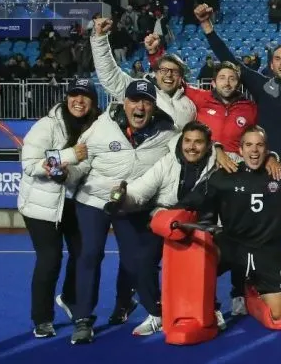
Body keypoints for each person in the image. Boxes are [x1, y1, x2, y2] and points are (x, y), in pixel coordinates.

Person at [195, 3, 281, 314]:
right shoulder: (258, 84)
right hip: (266, 171)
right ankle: (263, 289)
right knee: (266, 236)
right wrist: (208, 27)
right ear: (270, 63)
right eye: (277, 58)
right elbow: (229, 59)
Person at [66, 80, 180, 344]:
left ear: (154, 106)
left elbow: (189, 146)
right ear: (124, 103)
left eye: (147, 101)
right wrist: (66, 173)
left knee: (135, 260)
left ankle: (135, 307)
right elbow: (80, 165)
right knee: (91, 254)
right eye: (134, 100)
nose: (140, 106)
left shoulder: (166, 131)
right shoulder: (101, 128)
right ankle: (83, 319)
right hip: (94, 199)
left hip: (130, 202)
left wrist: (217, 150)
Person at [178, 126, 281, 328]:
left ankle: (251, 297)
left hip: (267, 252)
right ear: (240, 150)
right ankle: (211, 307)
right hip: (232, 247)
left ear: (267, 150)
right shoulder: (223, 177)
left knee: (278, 315)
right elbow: (189, 203)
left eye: (259, 145)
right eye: (248, 145)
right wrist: (161, 214)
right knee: (199, 256)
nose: (254, 151)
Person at [108, 121, 224, 334]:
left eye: (198, 142)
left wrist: (272, 156)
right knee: (142, 261)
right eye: (187, 141)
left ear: (208, 146)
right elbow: (140, 190)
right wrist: (124, 197)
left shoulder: (219, 162)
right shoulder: (167, 162)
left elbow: (250, 158)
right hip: (166, 221)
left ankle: (211, 308)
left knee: (213, 261)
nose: (191, 147)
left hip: (202, 225)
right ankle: (156, 313)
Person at [18, 79, 112, 338]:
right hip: (42, 206)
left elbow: (89, 164)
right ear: (66, 97)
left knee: (84, 256)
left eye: (85, 96)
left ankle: (71, 299)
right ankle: (42, 318)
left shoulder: (98, 129)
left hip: (75, 203)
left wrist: (68, 171)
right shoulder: (47, 125)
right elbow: (29, 163)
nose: (79, 101)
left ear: (93, 102)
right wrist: (67, 156)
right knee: (50, 260)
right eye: (74, 95)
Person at [91, 18, 197, 128]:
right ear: (155, 73)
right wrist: (100, 39)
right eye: (163, 70)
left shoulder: (190, 106)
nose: (168, 75)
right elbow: (110, 76)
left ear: (181, 77)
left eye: (174, 71)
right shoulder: (139, 90)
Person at [182, 60, 258, 153]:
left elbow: (258, 137)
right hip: (205, 159)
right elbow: (177, 82)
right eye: (222, 78)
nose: (227, 83)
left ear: (238, 85)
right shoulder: (201, 97)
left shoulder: (250, 108)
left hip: (235, 162)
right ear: (213, 83)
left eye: (232, 79)